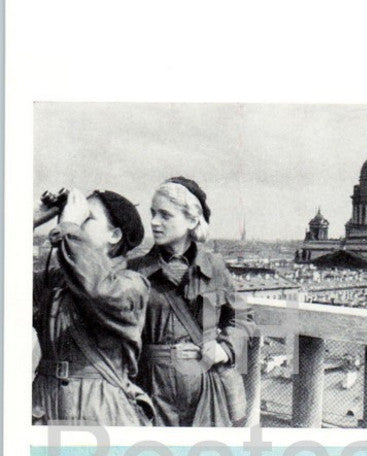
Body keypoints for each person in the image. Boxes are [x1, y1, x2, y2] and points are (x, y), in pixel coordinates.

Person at [130, 177, 257, 426]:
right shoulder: (135, 272)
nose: (154, 222)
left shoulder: (214, 268)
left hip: (206, 388)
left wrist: (225, 348)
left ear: (191, 219)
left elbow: (243, 318)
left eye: (165, 215)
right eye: (152, 213)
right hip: (152, 388)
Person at [33, 187, 153, 425]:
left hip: (99, 409)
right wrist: (29, 220)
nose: (75, 221)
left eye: (86, 218)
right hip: (44, 405)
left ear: (115, 235)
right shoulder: (55, 280)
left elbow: (97, 289)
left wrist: (68, 229)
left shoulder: (132, 285)